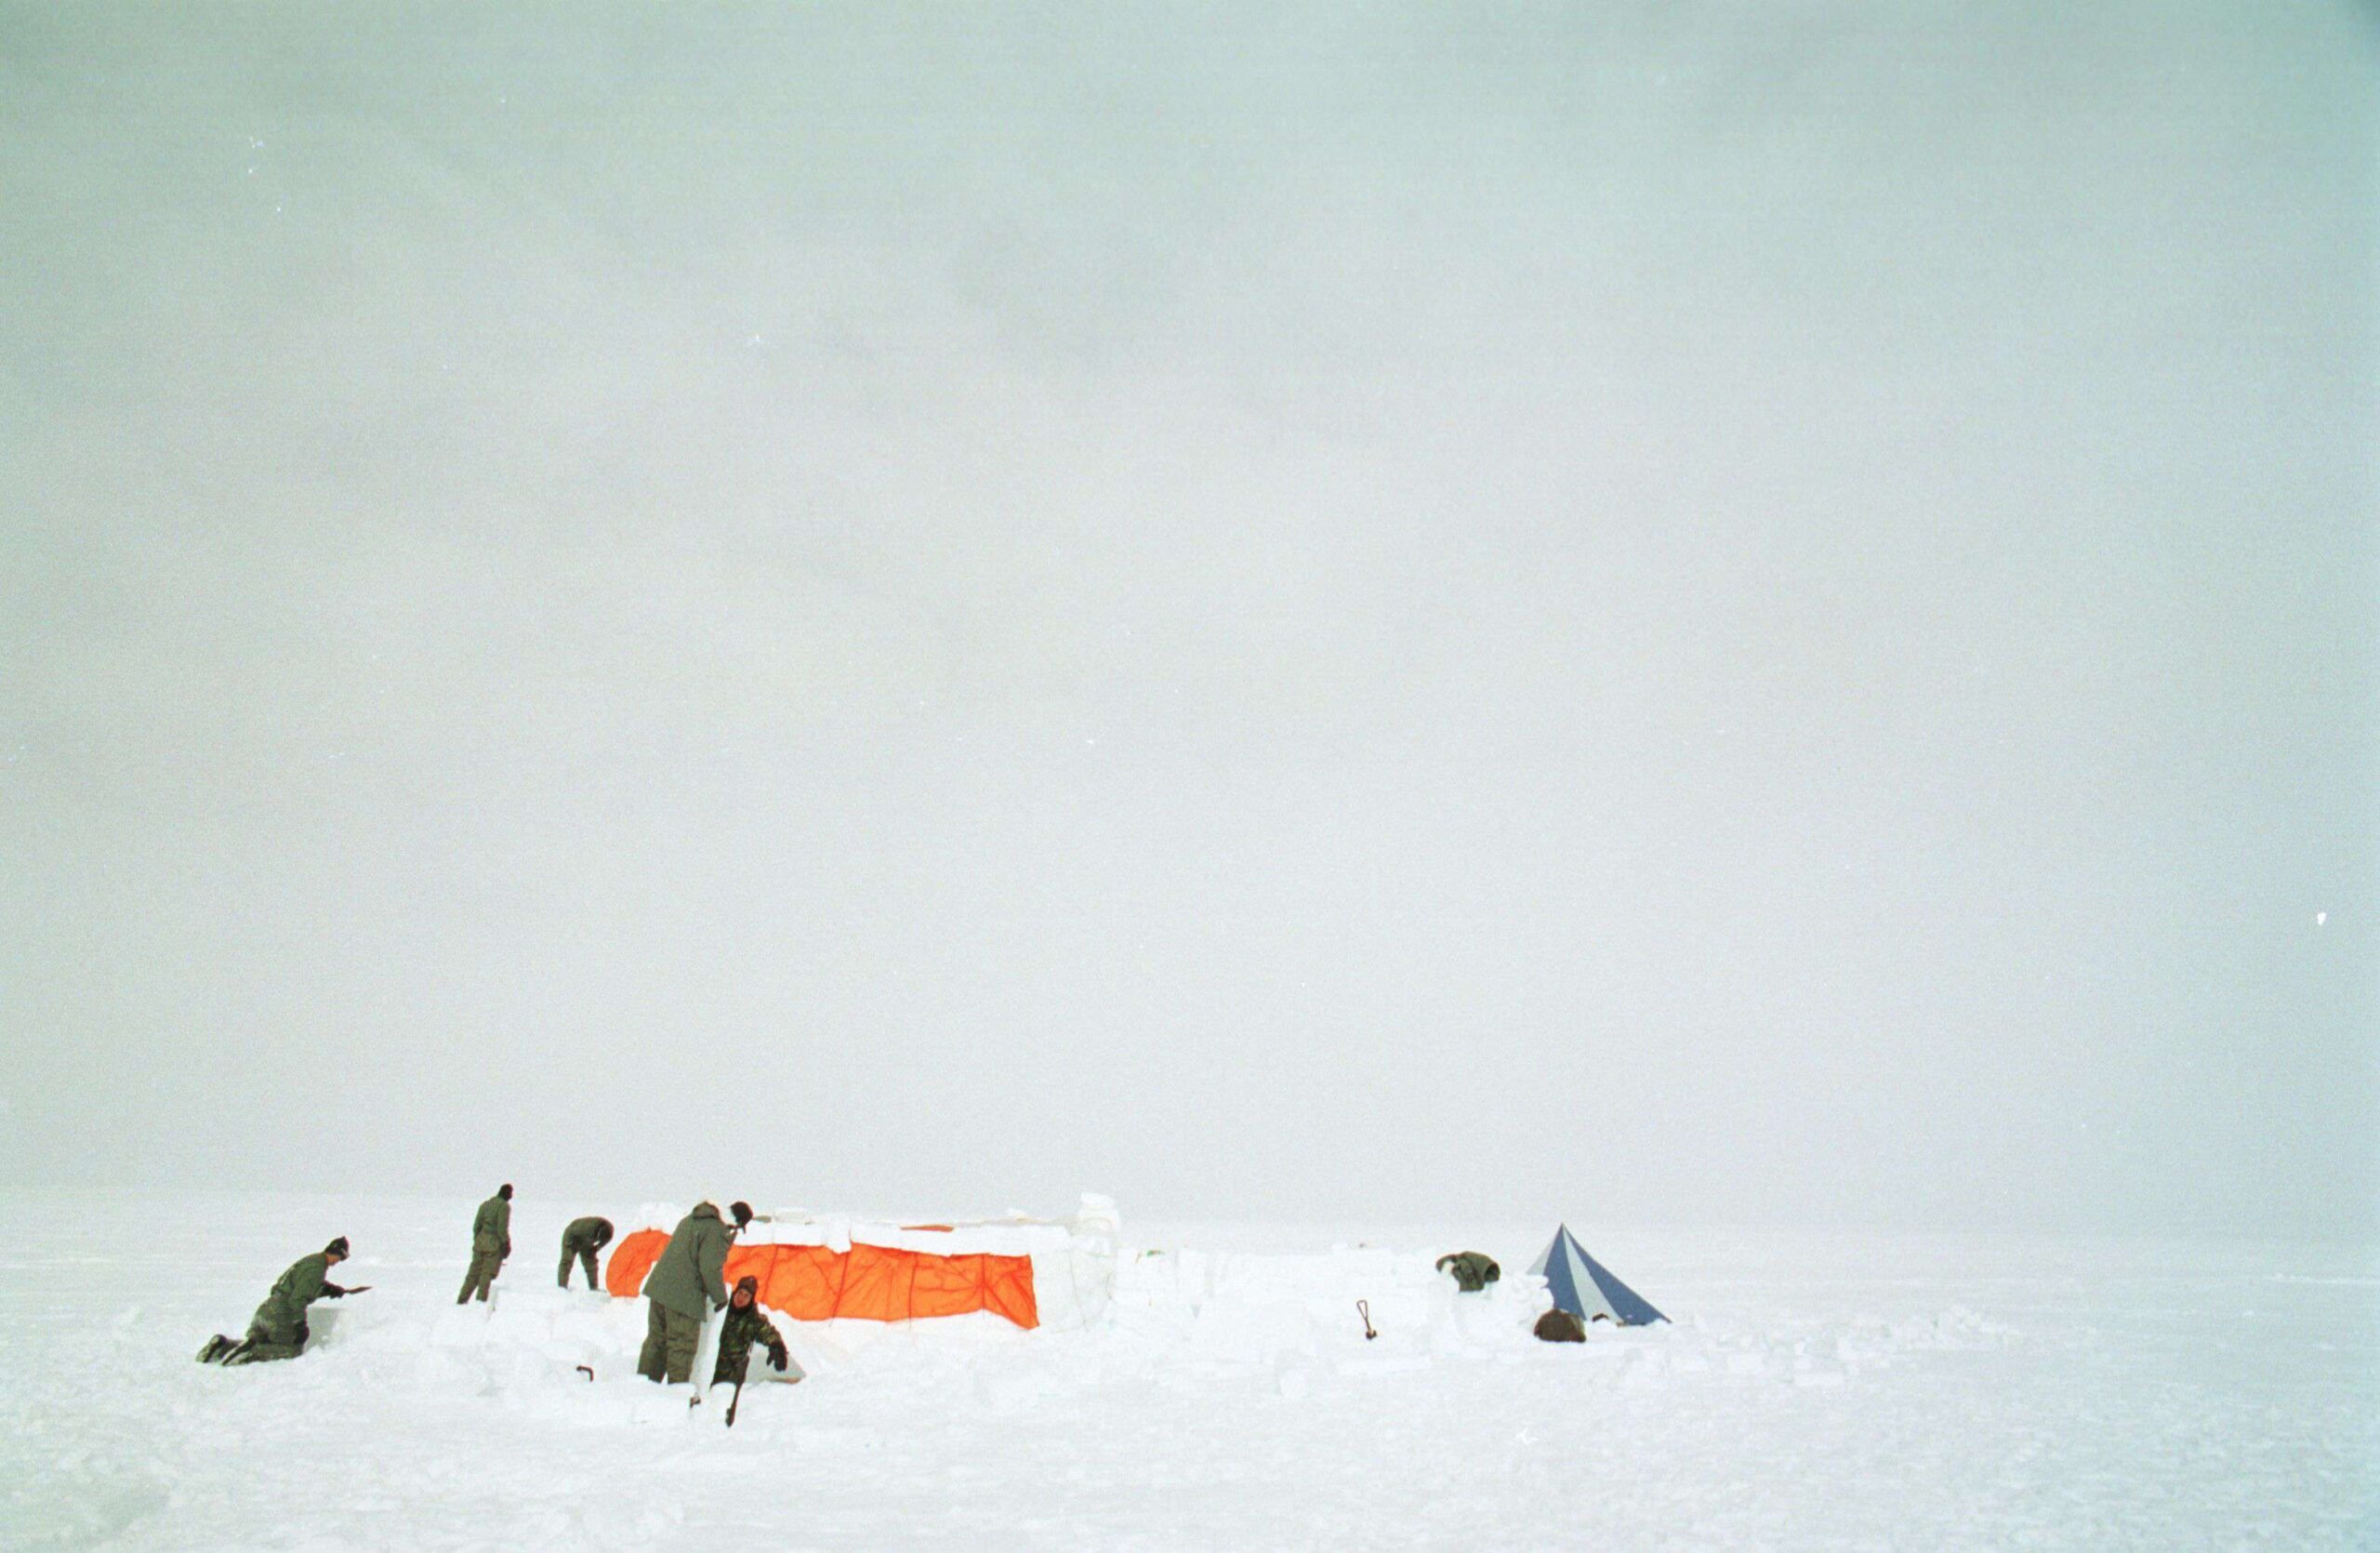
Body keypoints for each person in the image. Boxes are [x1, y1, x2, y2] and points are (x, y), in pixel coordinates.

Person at [199, 1237, 359, 1364]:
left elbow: (295, 1285)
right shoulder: (317, 1268)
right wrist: (299, 1325)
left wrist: (328, 1289)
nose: (339, 1262)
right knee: (291, 1350)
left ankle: (223, 1346)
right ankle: (249, 1352)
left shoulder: (310, 1261)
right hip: (280, 1315)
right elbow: (298, 1299)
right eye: (341, 1258)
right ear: (336, 1252)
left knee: (261, 1341)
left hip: (266, 1310)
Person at [638, 1201, 731, 1383]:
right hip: (683, 1297)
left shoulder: (690, 1220)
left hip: (660, 1288)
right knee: (681, 1346)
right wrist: (719, 1297)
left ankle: (644, 1388)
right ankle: (676, 1395)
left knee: (656, 1342)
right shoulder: (716, 1230)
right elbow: (709, 1268)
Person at [709, 1275, 796, 1388]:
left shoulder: (753, 1320)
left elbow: (768, 1332)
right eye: (740, 1293)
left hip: (729, 1379)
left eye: (747, 1296)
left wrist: (777, 1345)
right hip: (708, 1369)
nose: (741, 1298)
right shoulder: (722, 1309)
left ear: (751, 1299)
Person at [456, 1184, 512, 1304]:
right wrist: (506, 1244)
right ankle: (480, 1302)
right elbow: (502, 1228)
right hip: (493, 1245)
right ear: (506, 1193)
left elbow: (476, 1226)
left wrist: (479, 1239)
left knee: (473, 1274)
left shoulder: (485, 1205)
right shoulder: (504, 1207)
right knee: (486, 1274)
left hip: (480, 1242)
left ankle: (461, 1300)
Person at [559, 1215, 615, 1290]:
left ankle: (594, 1287)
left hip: (585, 1236)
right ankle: (562, 1287)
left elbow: (603, 1242)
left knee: (592, 1264)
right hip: (571, 1235)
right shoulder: (589, 1229)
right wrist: (592, 1251)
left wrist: (598, 1247)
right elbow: (587, 1251)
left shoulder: (609, 1231)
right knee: (567, 1261)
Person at [1435, 1251, 1501, 1294]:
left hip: (1489, 1269)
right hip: (1492, 1269)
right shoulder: (1464, 1256)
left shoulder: (1461, 1260)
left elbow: (1467, 1270)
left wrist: (1474, 1285)